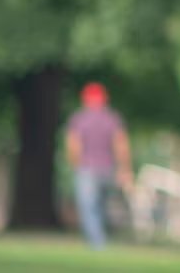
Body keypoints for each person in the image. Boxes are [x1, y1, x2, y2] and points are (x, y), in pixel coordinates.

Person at [65, 82, 133, 249]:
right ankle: (99, 239)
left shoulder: (79, 119)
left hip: (86, 168)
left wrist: (75, 165)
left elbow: (73, 145)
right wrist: (124, 169)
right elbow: (121, 146)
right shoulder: (112, 119)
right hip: (107, 168)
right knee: (100, 206)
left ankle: (97, 243)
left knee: (89, 207)